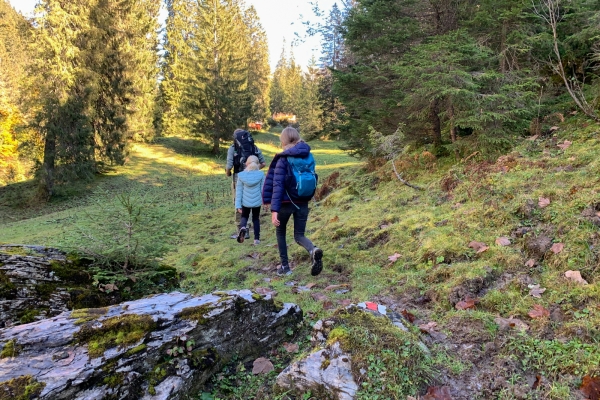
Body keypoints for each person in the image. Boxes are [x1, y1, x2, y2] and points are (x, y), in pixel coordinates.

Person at [262, 127, 323, 276]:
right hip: (302, 201)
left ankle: (285, 268)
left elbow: (277, 185)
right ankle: (312, 250)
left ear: (283, 141)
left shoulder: (283, 158)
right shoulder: (308, 155)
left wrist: (274, 210)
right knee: (299, 235)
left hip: (285, 203)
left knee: (281, 232)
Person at [225, 129, 266, 239]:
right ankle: (253, 229)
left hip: (239, 177)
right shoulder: (254, 147)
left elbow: (229, 166)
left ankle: (242, 229)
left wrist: (228, 173)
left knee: (239, 203)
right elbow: (263, 163)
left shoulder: (233, 148)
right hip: (255, 177)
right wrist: (255, 170)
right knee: (253, 200)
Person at [235, 156, 265, 245]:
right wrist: (265, 202)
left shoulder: (241, 175)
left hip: (245, 202)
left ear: (247, 164)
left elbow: (239, 191)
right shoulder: (261, 175)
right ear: (258, 164)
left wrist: (238, 205)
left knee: (244, 216)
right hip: (257, 201)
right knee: (256, 219)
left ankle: (243, 227)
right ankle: (256, 239)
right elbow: (263, 190)